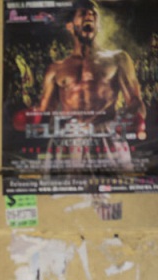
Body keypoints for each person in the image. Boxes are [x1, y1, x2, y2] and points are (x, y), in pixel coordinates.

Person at [35, 0, 146, 170]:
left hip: (107, 136)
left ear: (98, 25)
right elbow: (45, 111)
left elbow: (136, 101)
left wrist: (127, 119)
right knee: (65, 193)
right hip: (69, 140)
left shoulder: (118, 59)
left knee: (117, 189)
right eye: (83, 13)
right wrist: (33, 117)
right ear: (70, 26)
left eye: (94, 13)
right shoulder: (55, 69)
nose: (90, 15)